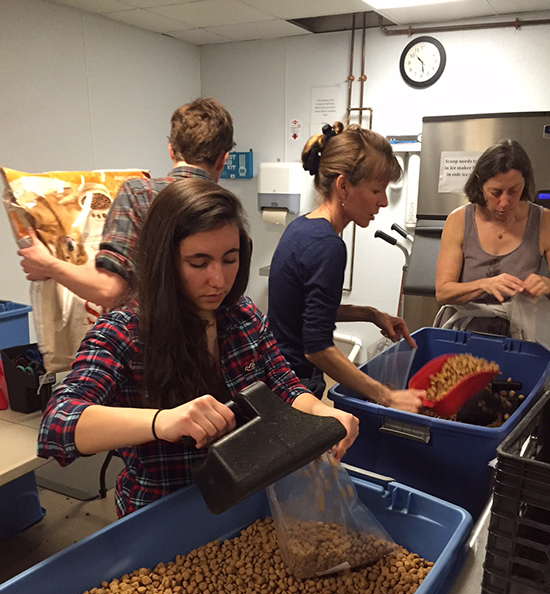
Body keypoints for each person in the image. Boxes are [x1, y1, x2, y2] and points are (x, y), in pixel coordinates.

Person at [37, 179, 359, 518]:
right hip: (161, 512)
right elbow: (58, 425)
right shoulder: (125, 332)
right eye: (198, 263)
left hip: (244, 497)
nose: (218, 280)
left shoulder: (243, 317)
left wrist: (326, 414)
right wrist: (163, 421)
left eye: (230, 259)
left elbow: (286, 387)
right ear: (166, 260)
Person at [17, 97, 235, 310]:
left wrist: (47, 264)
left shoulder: (140, 194)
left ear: (171, 150)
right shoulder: (230, 211)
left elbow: (111, 291)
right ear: (222, 159)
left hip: (153, 342)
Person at [268, 122, 425, 412]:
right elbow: (316, 348)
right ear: (343, 186)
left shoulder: (301, 227)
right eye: (377, 190)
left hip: (275, 375)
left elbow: (307, 310)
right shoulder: (327, 245)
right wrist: (386, 396)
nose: (383, 201)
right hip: (294, 383)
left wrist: (370, 314)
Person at [435, 139, 550, 336]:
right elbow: (443, 292)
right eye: (496, 192)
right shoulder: (458, 220)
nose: (504, 202)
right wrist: (485, 284)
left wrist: (547, 284)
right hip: (464, 331)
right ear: (480, 184)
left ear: (526, 183)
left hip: (520, 333)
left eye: (514, 191)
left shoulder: (545, 221)